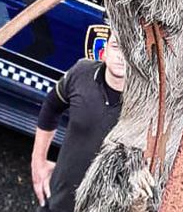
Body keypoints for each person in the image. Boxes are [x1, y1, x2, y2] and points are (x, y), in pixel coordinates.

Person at [31, 30, 126, 211]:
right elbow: (51, 107)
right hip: (56, 202)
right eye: (116, 46)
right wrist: (38, 161)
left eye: (129, 49)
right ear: (104, 51)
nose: (122, 56)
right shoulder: (81, 73)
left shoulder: (147, 103)